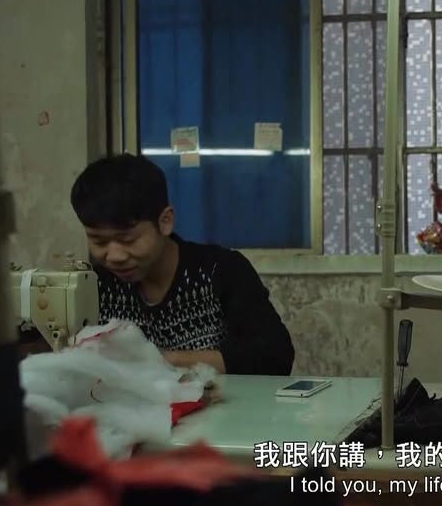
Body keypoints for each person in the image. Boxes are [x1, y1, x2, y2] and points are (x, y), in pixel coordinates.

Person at [67, 153, 295, 375]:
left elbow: (274, 356)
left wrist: (163, 361)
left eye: (128, 240)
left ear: (165, 222)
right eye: (99, 241)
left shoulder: (220, 271)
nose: (114, 256)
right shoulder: (94, 285)